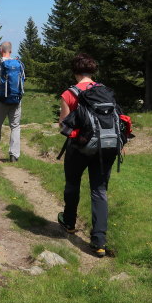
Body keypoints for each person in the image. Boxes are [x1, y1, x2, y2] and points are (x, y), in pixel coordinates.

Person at [57, 53, 116, 257]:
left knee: (72, 184)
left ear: (74, 72)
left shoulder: (69, 94)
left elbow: (64, 126)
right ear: (93, 71)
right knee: (99, 191)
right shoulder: (105, 91)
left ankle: (69, 223)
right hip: (106, 148)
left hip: (79, 148)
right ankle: (99, 242)